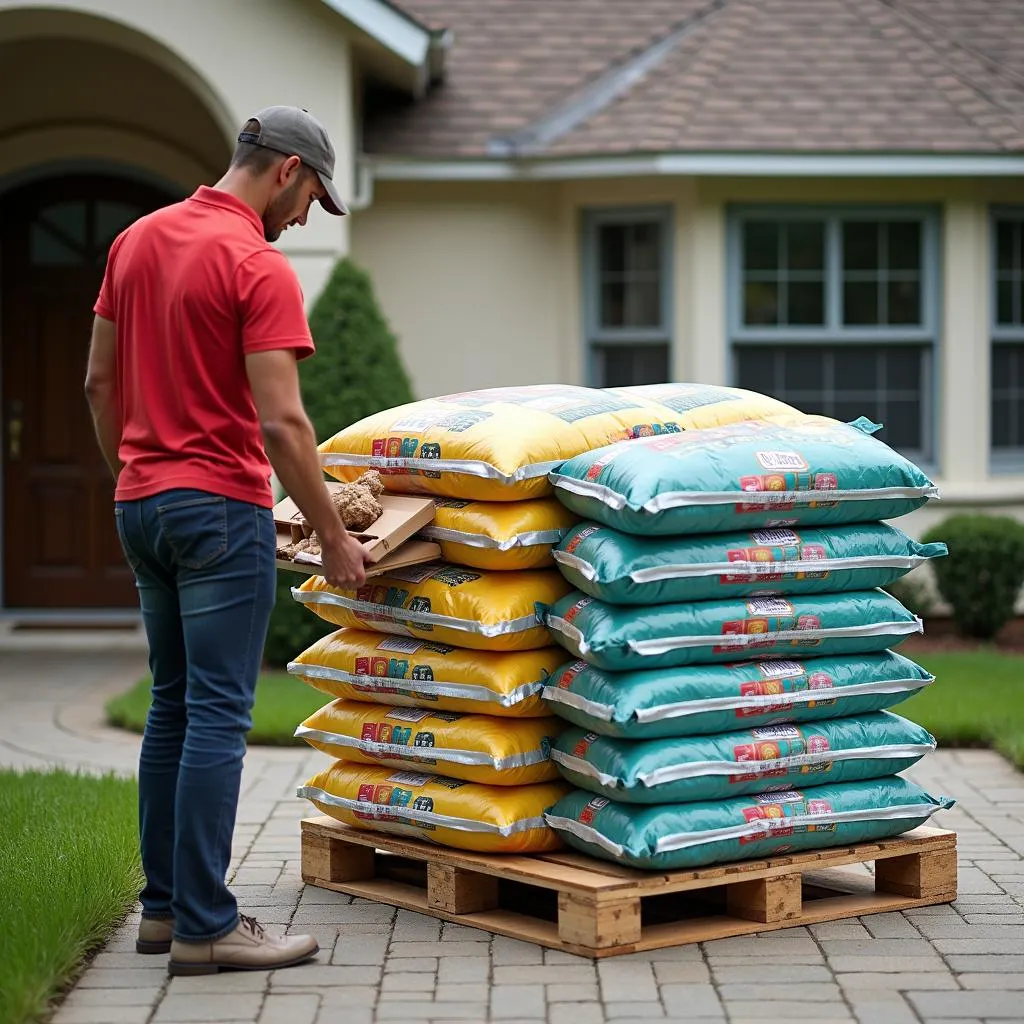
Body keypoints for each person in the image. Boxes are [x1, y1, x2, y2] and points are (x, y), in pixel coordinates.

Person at [84, 106, 371, 976]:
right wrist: (334, 536)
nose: (300, 222)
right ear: (287, 170)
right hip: (218, 510)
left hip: (144, 504)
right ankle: (211, 923)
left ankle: (166, 911)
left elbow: (101, 382)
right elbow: (283, 423)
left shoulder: (135, 241)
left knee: (171, 705)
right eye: (311, 200)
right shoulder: (255, 262)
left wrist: (135, 475)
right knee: (217, 712)